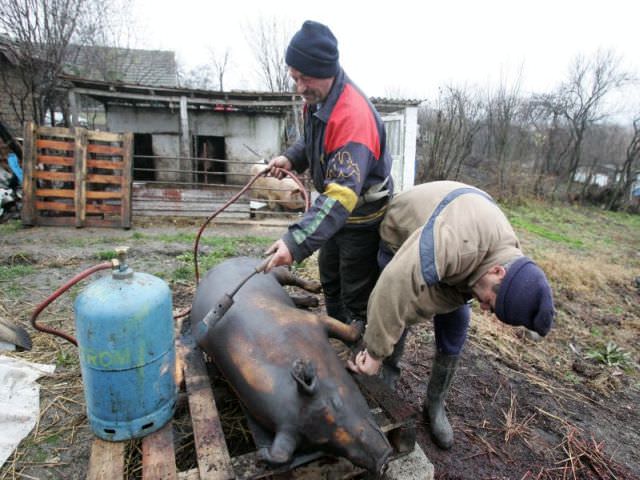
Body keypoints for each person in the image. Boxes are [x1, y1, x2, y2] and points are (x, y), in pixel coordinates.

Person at [347, 180, 555, 450]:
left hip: (458, 264)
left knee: (456, 325)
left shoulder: (508, 254)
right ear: (497, 272)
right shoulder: (459, 242)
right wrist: (375, 351)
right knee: (399, 305)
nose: (484, 308)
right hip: (402, 233)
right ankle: (384, 376)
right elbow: (396, 285)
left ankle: (434, 404)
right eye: (490, 303)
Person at [264, 20, 393, 326]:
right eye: (294, 77)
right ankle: (336, 334)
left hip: (359, 217)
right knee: (330, 278)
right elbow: (313, 141)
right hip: (336, 214)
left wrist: (295, 243)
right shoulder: (318, 99)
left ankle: (359, 347)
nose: (299, 87)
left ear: (327, 71)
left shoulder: (353, 118)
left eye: (305, 78)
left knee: (356, 290)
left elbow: (340, 196)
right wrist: (291, 158)